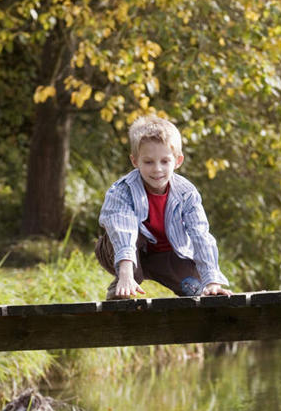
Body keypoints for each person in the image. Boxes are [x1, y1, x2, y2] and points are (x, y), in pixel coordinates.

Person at [96, 114, 230, 300]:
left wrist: (212, 281)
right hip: (128, 254)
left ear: (177, 161)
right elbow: (122, 230)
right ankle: (124, 283)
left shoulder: (186, 193)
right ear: (135, 161)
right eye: (148, 162)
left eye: (165, 161)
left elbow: (200, 234)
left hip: (167, 256)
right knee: (123, 235)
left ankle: (200, 289)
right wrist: (126, 273)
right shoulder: (122, 191)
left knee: (197, 291)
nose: (157, 169)